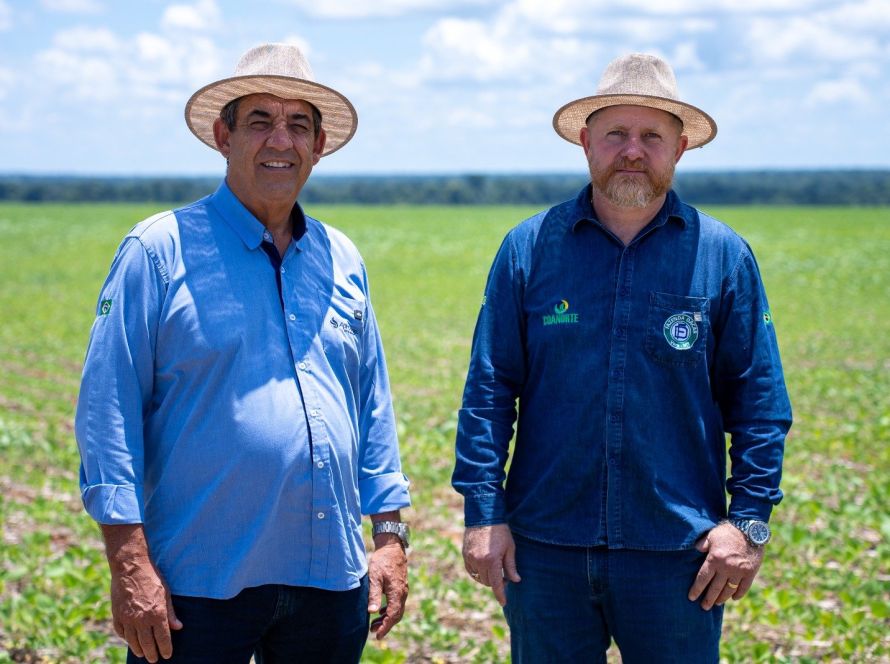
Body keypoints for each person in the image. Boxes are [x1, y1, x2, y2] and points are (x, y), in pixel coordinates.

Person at [75, 43, 411, 664]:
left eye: (299, 125)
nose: (280, 140)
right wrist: (128, 563)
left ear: (318, 146)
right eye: (260, 120)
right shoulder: (158, 250)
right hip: (196, 584)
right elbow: (107, 411)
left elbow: (372, 406)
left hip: (329, 577)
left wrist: (389, 536)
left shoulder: (342, 258)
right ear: (222, 135)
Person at [453, 53, 792, 662]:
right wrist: (483, 513)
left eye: (651, 137)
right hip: (545, 551)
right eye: (616, 134)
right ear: (586, 142)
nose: (633, 151)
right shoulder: (528, 249)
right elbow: (489, 391)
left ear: (679, 148)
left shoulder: (723, 256)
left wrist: (748, 524)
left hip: (679, 555)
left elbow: (760, 404)